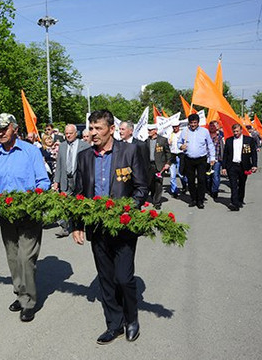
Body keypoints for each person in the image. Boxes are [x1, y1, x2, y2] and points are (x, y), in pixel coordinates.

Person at [73, 110, 148, 345]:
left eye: (98, 129)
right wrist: (77, 224)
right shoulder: (85, 157)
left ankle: (131, 319)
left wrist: (125, 211)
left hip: (123, 227)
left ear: (111, 129)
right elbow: (78, 194)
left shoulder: (130, 151)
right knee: (106, 278)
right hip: (97, 228)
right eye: (91, 128)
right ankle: (113, 324)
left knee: (123, 278)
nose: (92, 133)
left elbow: (141, 188)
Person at [0, 113, 51, 322]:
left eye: (4, 128)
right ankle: (20, 293)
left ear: (14, 128)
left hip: (29, 214)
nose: (1, 132)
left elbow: (43, 182)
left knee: (26, 258)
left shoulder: (30, 151)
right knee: (13, 258)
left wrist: (32, 200)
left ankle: (29, 301)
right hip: (6, 216)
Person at [52, 124, 90, 237]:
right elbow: (59, 165)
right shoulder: (62, 146)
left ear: (76, 133)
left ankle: (79, 227)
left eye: (70, 133)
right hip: (65, 179)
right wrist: (56, 181)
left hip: (79, 179)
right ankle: (65, 227)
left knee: (78, 203)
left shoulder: (85, 146)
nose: (68, 135)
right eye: (66, 133)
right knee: (63, 204)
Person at [178, 113, 215, 209]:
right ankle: (193, 199)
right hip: (189, 159)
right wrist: (181, 146)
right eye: (191, 123)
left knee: (201, 179)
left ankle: (200, 200)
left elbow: (210, 145)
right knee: (190, 180)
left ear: (198, 122)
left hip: (201, 159)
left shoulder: (204, 131)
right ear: (189, 123)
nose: (193, 125)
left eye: (195, 123)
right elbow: (179, 143)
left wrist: (212, 158)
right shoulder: (184, 132)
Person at [222, 123, 258, 211]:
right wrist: (224, 167)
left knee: (241, 184)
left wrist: (254, 165)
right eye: (234, 131)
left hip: (243, 166)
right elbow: (225, 155)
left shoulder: (248, 140)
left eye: (237, 131)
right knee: (233, 185)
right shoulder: (229, 140)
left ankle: (240, 200)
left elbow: (253, 153)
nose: (236, 133)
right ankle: (234, 203)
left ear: (241, 130)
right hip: (232, 166)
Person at [145, 124, 172, 209]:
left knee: (158, 184)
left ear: (155, 131)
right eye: (148, 130)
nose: (148, 132)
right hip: (149, 165)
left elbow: (168, 153)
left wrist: (168, 163)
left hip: (160, 165)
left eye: (150, 130)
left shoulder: (162, 140)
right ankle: (153, 197)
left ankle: (157, 202)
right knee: (150, 183)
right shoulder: (146, 141)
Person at [167, 119, 188, 198]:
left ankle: (184, 185)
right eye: (173, 127)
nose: (175, 128)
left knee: (181, 174)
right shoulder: (170, 134)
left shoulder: (183, 134)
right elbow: (168, 145)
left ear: (179, 126)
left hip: (180, 155)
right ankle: (174, 190)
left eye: (176, 127)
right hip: (172, 155)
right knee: (172, 175)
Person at [207, 120, 224, 199]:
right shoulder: (206, 136)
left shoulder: (220, 137)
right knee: (207, 176)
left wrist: (222, 161)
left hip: (216, 160)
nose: (212, 127)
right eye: (211, 126)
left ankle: (215, 191)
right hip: (206, 159)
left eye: (214, 126)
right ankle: (209, 188)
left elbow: (222, 149)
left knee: (215, 176)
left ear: (217, 127)